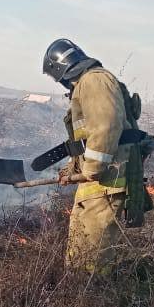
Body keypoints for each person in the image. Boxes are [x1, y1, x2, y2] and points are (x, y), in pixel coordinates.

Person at [42, 39, 130, 274]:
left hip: (106, 180)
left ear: (60, 68)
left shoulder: (94, 80)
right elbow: (86, 139)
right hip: (95, 183)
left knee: (93, 254)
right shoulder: (86, 84)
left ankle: (95, 298)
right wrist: (72, 170)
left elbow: (106, 126)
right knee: (79, 246)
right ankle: (75, 293)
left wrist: (90, 170)